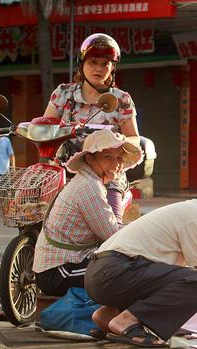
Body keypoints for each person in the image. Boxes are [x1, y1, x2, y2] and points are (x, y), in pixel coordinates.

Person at [85, 167, 197, 347]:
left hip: (98, 274)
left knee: (186, 279)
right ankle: (125, 321)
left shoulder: (190, 210)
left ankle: (108, 315)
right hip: (114, 271)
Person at [44, 33, 142, 225]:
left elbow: (134, 138)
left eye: (105, 63)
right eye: (93, 62)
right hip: (65, 168)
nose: (98, 68)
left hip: (107, 171)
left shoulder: (121, 99)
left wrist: (118, 140)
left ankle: (113, 242)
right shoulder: (63, 94)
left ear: (112, 67)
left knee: (112, 222)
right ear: (82, 64)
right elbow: (45, 126)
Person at [32, 129, 142, 296]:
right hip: (58, 272)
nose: (116, 164)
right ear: (90, 158)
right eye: (108, 157)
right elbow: (112, 235)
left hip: (68, 263)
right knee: (127, 271)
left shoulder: (89, 180)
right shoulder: (89, 186)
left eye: (119, 158)